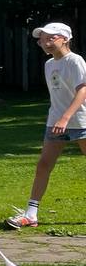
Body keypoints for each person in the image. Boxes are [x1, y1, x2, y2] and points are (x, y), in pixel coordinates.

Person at [7, 22, 86, 229]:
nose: (46, 42)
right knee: (43, 165)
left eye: (51, 38)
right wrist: (58, 118)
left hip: (81, 121)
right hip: (55, 122)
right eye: (43, 39)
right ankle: (31, 214)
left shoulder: (75, 61)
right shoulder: (49, 64)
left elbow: (83, 90)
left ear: (65, 39)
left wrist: (66, 118)